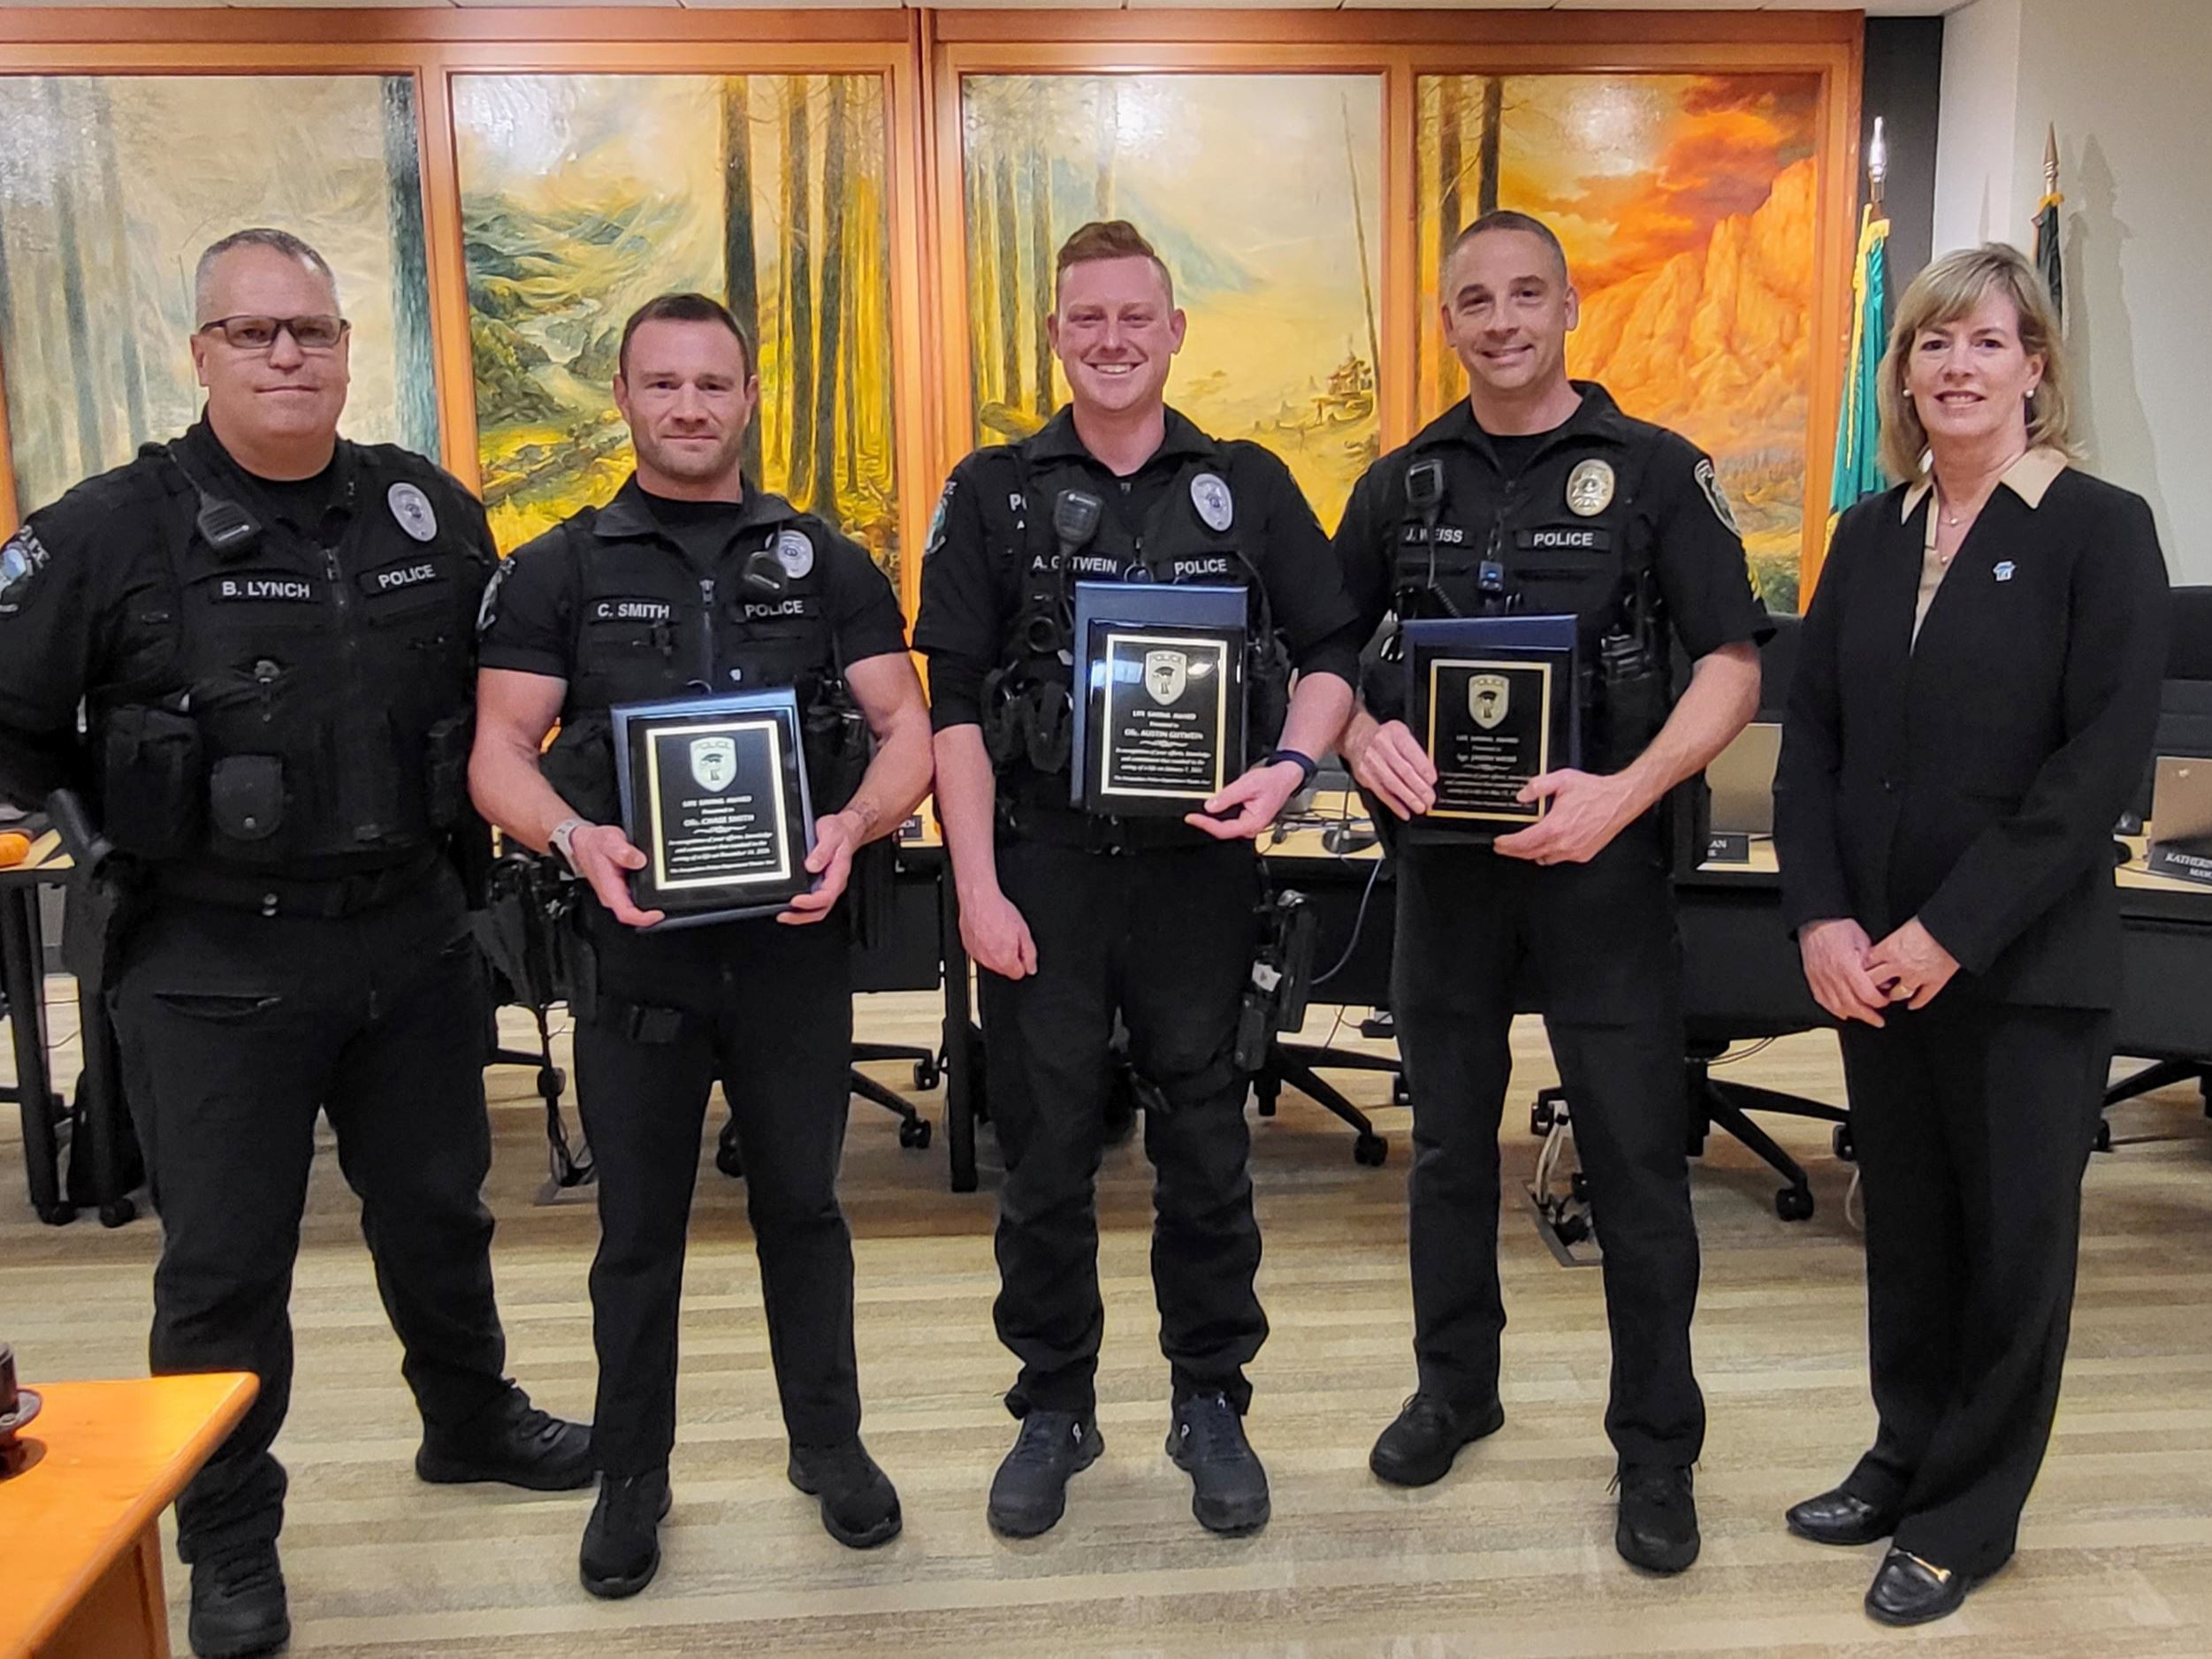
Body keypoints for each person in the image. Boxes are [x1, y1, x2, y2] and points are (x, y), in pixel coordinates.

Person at [0, 227, 591, 1659]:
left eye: (311, 333)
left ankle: (465, 1419)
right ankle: (226, 1535)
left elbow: (512, 704)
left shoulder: (425, 511)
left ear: (344, 348)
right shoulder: (105, 530)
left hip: (410, 937)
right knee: (224, 1264)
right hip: (210, 962)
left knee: (440, 1210)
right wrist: (104, 831)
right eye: (253, 333)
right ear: (198, 350)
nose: (286, 357)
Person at [469, 292, 931, 1597]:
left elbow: (903, 727)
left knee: (806, 1208)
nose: (687, 407)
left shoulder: (825, 561)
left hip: (791, 953)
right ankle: (632, 1470)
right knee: (637, 1234)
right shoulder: (559, 567)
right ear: (623, 396)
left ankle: (828, 1445)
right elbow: (497, 753)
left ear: (745, 399)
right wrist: (573, 838)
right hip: (635, 958)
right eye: (661, 384)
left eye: (711, 384)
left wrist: (849, 823)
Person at [1332, 210, 1767, 1573]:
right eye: (1475, 299)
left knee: (1637, 1161)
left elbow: (1732, 667)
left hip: (1603, 868)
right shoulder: (1398, 484)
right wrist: (1359, 736)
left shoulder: (1652, 472)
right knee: (1449, 1151)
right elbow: (1328, 650)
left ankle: (1655, 1446)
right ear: (1445, 319)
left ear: (1568, 304)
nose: (1503, 318)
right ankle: (1455, 1386)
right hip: (1447, 876)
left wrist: (1620, 792)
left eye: (1527, 293)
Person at [914, 220, 1362, 1541]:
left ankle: (1209, 1394)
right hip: (1045, 872)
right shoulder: (991, 490)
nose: (1110, 338)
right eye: (1084, 317)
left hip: (1198, 871)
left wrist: (1287, 765)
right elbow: (951, 704)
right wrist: (975, 889)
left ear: (1174, 332)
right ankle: (1054, 1399)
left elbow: (1332, 648)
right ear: (1054, 336)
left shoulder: (1246, 483)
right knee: (1044, 1154)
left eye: (1134, 316)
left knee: (1207, 1148)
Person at [1773, 243, 2169, 1625]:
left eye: (1985, 343)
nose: (1954, 366)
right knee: (1911, 1238)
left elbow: (2096, 770)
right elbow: (1811, 738)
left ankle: (1966, 1509)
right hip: (1874, 967)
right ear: (1904, 372)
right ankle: (1901, 1455)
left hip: (2019, 968)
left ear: (2034, 369)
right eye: (1931, 345)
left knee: (2008, 1251)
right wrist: (1820, 914)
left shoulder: (2097, 527)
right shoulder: (1868, 531)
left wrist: (1948, 927)